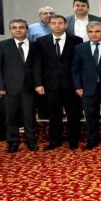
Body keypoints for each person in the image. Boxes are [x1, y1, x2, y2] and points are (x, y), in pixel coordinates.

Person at [34, 14, 83, 150]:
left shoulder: (76, 40)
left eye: (60, 23)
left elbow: (80, 64)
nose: (57, 26)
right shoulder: (41, 41)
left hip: (71, 84)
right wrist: (38, 83)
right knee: (54, 114)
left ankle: (73, 140)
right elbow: (38, 64)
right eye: (54, 23)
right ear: (49, 25)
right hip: (50, 84)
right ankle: (55, 140)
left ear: (65, 25)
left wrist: (79, 83)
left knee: (73, 114)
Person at [72, 21, 101, 150]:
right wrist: (77, 86)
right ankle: (92, 140)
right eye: (91, 32)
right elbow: (75, 69)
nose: (94, 34)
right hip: (88, 88)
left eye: (97, 31)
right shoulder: (80, 48)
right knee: (90, 116)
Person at [0, 19, 39, 152]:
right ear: (10, 30)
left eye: (21, 27)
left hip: (29, 87)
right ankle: (13, 142)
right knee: (11, 117)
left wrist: (39, 84)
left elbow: (38, 66)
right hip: (9, 87)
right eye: (14, 27)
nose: (18, 29)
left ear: (27, 29)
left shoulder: (35, 45)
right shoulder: (2, 45)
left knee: (30, 116)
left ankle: (31, 141)